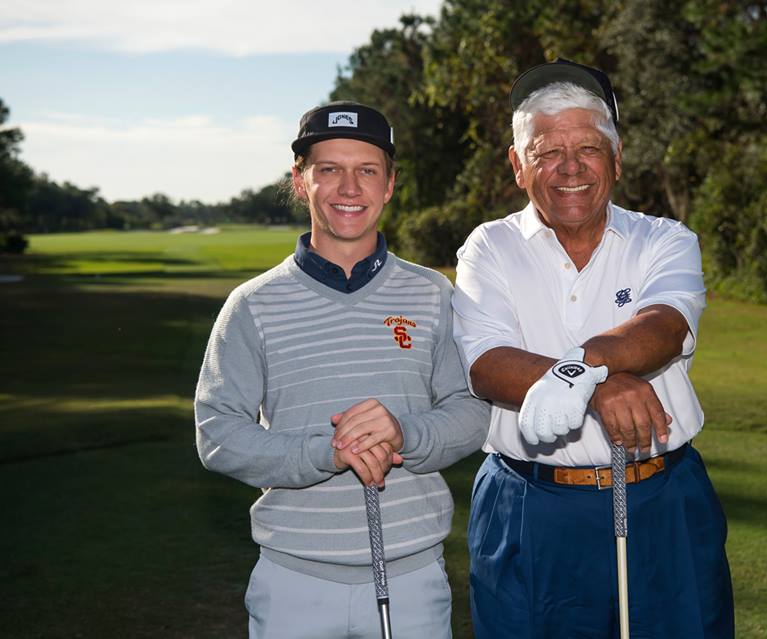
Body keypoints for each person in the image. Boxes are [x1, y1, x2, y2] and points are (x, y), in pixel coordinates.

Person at [451, 59, 735, 638]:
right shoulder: (490, 247)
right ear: (517, 166)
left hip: (662, 498)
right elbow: (485, 364)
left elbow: (662, 327)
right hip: (530, 505)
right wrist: (602, 387)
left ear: (618, 157)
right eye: (547, 151)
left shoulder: (665, 239)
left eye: (588, 148)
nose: (570, 168)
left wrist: (584, 375)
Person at [195, 101, 490, 639]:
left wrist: (405, 432)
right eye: (329, 169)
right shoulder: (252, 304)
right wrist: (325, 453)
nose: (349, 188)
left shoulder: (432, 294)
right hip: (292, 581)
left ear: (390, 184)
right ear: (301, 180)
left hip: (412, 579)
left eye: (367, 170)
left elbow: (472, 412)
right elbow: (218, 434)